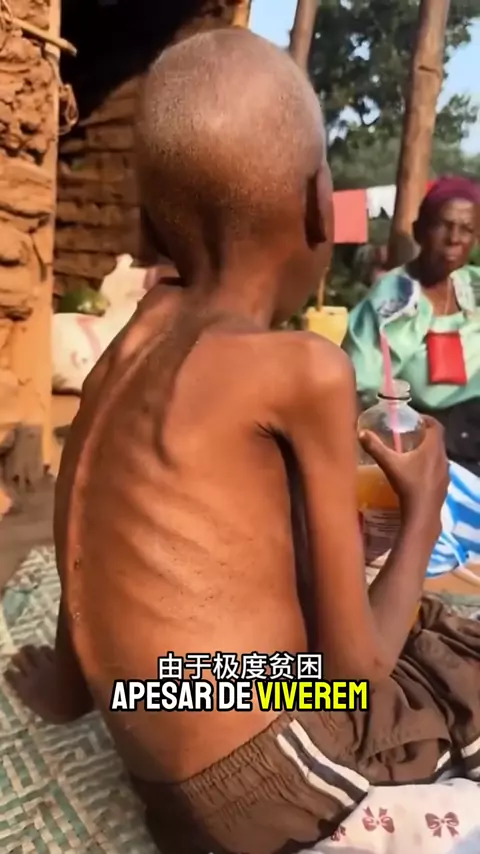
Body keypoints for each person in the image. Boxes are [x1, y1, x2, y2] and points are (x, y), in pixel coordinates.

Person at [5, 29, 480, 854]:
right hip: (263, 778)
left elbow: (78, 509)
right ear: (316, 206)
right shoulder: (305, 368)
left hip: (158, 706)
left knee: (428, 621)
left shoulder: (136, 337)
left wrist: (76, 683)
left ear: (153, 219)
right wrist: (424, 513)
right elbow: (352, 675)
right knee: (452, 665)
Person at [343, 177, 480, 574]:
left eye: (467, 229)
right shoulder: (393, 298)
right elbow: (358, 385)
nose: (454, 238)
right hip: (423, 437)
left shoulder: (472, 286)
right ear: (420, 230)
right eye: (444, 225)